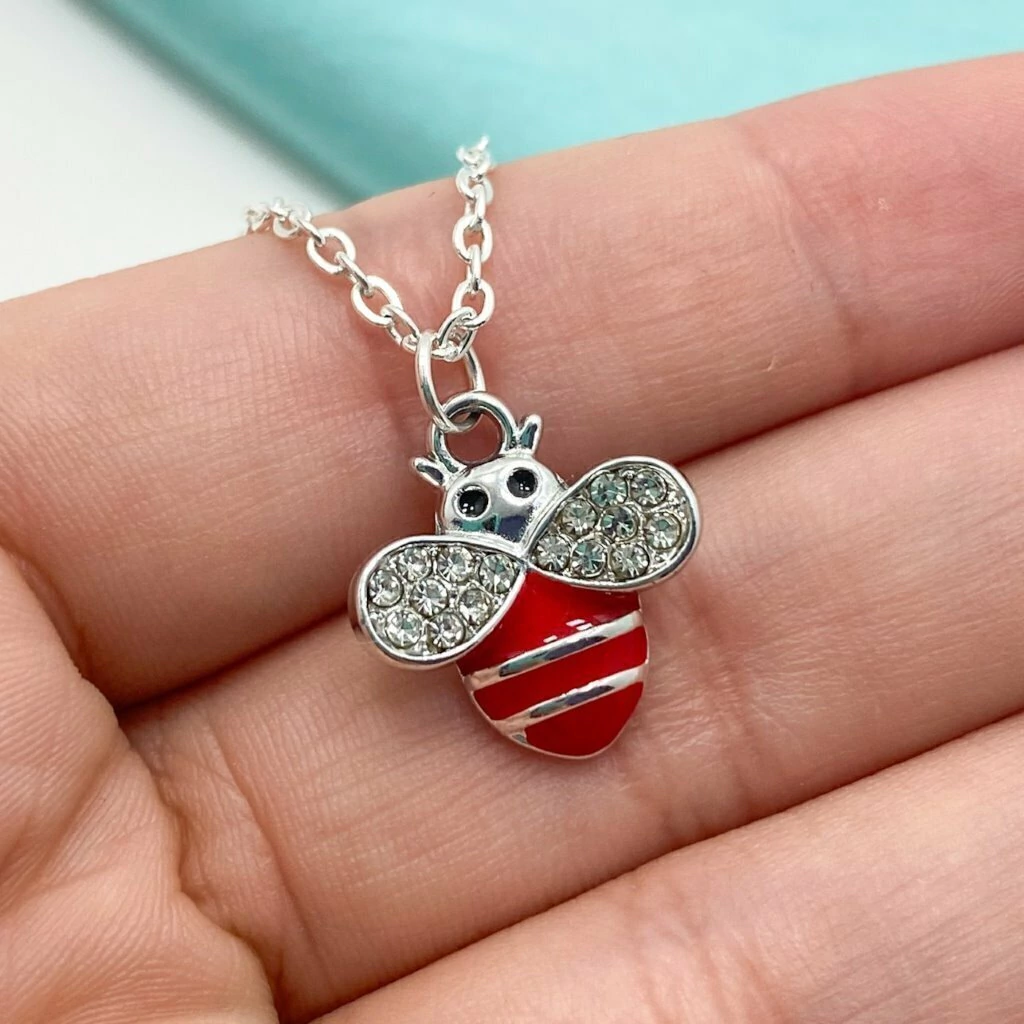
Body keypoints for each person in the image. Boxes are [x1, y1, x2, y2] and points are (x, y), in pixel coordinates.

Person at [2, 55, 1023, 1023]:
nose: (500, 510)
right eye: (480, 503)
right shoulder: (495, 555)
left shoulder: (545, 535)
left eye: (514, 487)